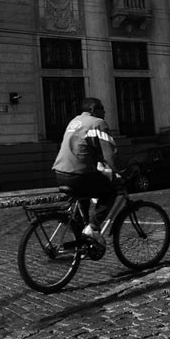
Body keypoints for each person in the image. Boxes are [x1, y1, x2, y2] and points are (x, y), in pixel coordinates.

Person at [52, 97, 122, 248]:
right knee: (110, 190)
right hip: (78, 174)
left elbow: (83, 147)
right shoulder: (98, 123)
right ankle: (93, 228)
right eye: (102, 108)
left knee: (82, 198)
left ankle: (81, 236)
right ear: (93, 109)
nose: (105, 112)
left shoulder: (74, 122)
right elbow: (110, 154)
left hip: (60, 173)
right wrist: (118, 172)